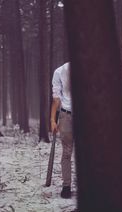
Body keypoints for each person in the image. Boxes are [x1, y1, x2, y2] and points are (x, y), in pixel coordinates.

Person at [50, 62, 73, 198]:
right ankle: (66, 186)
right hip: (66, 116)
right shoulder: (59, 72)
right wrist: (53, 120)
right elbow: (56, 99)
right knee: (67, 152)